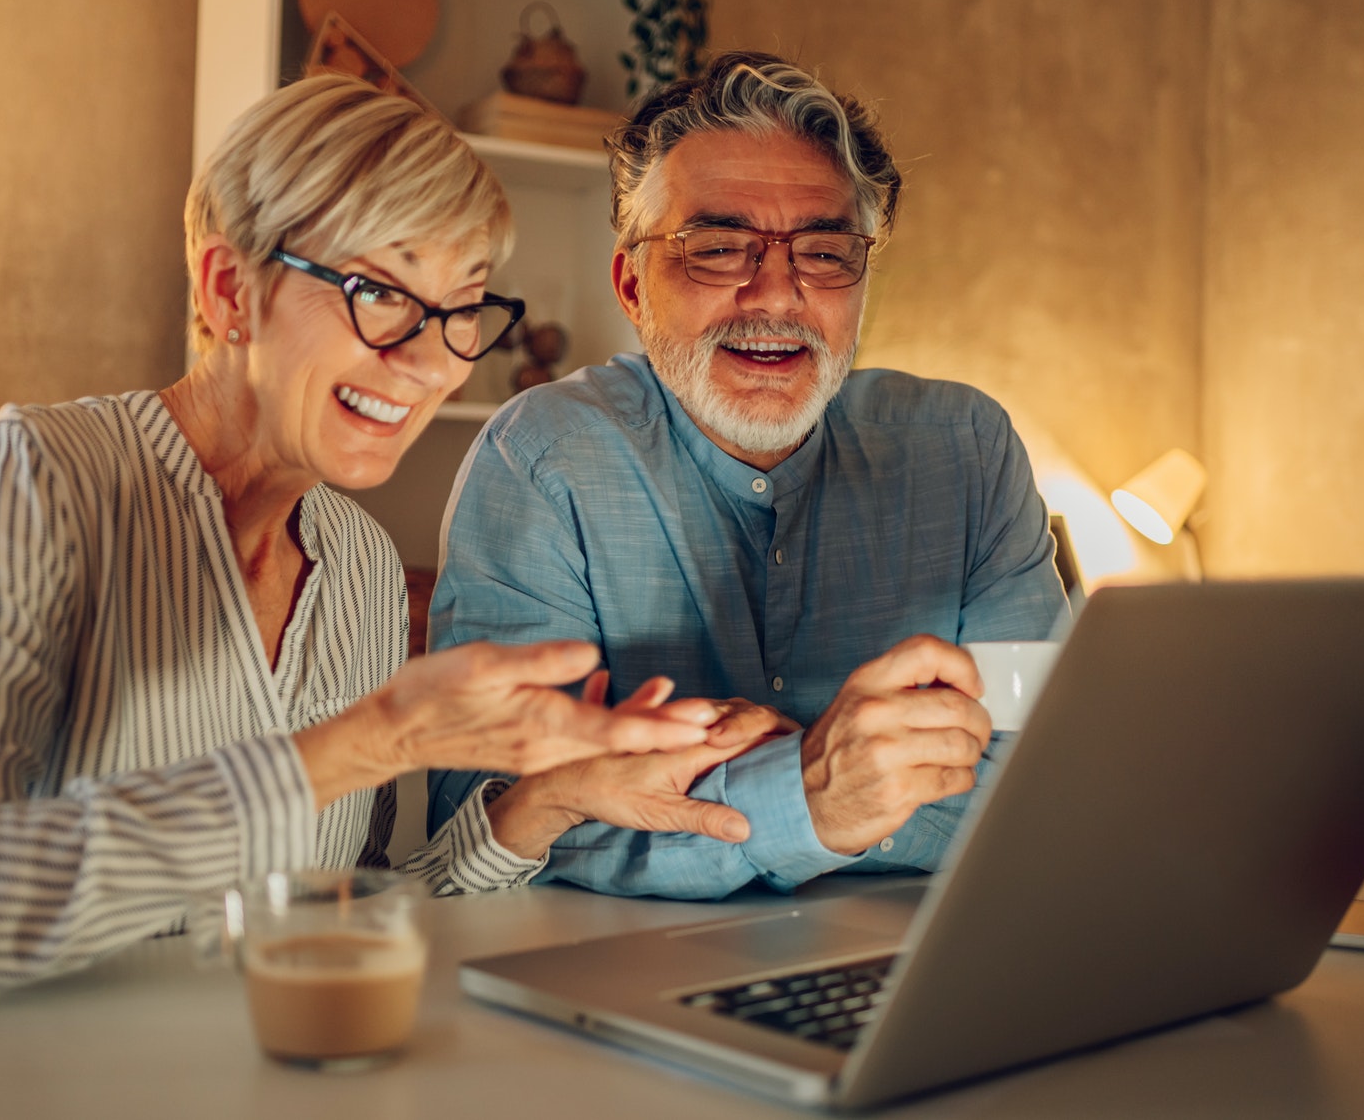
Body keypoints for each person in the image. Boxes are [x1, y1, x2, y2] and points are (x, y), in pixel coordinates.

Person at [0, 75, 719, 1005]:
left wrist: (547, 802)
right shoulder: (38, 477)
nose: (424, 360)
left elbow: (339, 919)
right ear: (229, 289)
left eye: (460, 309)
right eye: (377, 290)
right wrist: (373, 739)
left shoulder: (361, 564)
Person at [428, 52, 1069, 898]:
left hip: (918, 970)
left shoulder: (968, 449)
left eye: (825, 252)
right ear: (631, 283)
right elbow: (501, 825)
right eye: (718, 249)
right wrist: (814, 788)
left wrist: (792, 780)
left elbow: (1045, 792)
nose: (775, 296)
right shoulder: (542, 459)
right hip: (625, 987)